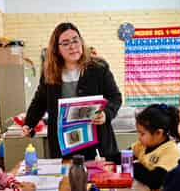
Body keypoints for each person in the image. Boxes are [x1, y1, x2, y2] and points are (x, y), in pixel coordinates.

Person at [22, 22, 122, 161]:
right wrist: (29, 123)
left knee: (99, 180)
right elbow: (40, 101)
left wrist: (106, 113)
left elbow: (115, 97)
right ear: (57, 49)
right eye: (65, 43)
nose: (73, 46)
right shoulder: (50, 73)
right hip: (64, 145)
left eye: (75, 40)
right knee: (67, 180)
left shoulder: (98, 68)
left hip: (96, 141)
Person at [132, 103, 180, 190]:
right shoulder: (143, 144)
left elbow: (155, 181)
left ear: (158, 133)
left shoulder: (170, 151)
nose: (139, 137)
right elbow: (124, 155)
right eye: (138, 133)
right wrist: (103, 159)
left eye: (142, 134)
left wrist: (133, 166)